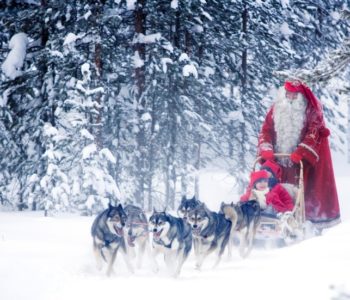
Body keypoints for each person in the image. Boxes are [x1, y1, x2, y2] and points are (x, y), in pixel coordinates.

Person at [258, 79, 340, 229]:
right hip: (280, 161)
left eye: (294, 95)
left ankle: (310, 222)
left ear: (300, 97)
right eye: (287, 94)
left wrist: (301, 152)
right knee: (272, 187)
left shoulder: (311, 111)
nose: (290, 98)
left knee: (305, 191)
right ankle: (272, 217)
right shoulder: (276, 109)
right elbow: (266, 131)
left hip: (305, 163)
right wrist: (266, 148)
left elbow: (313, 134)